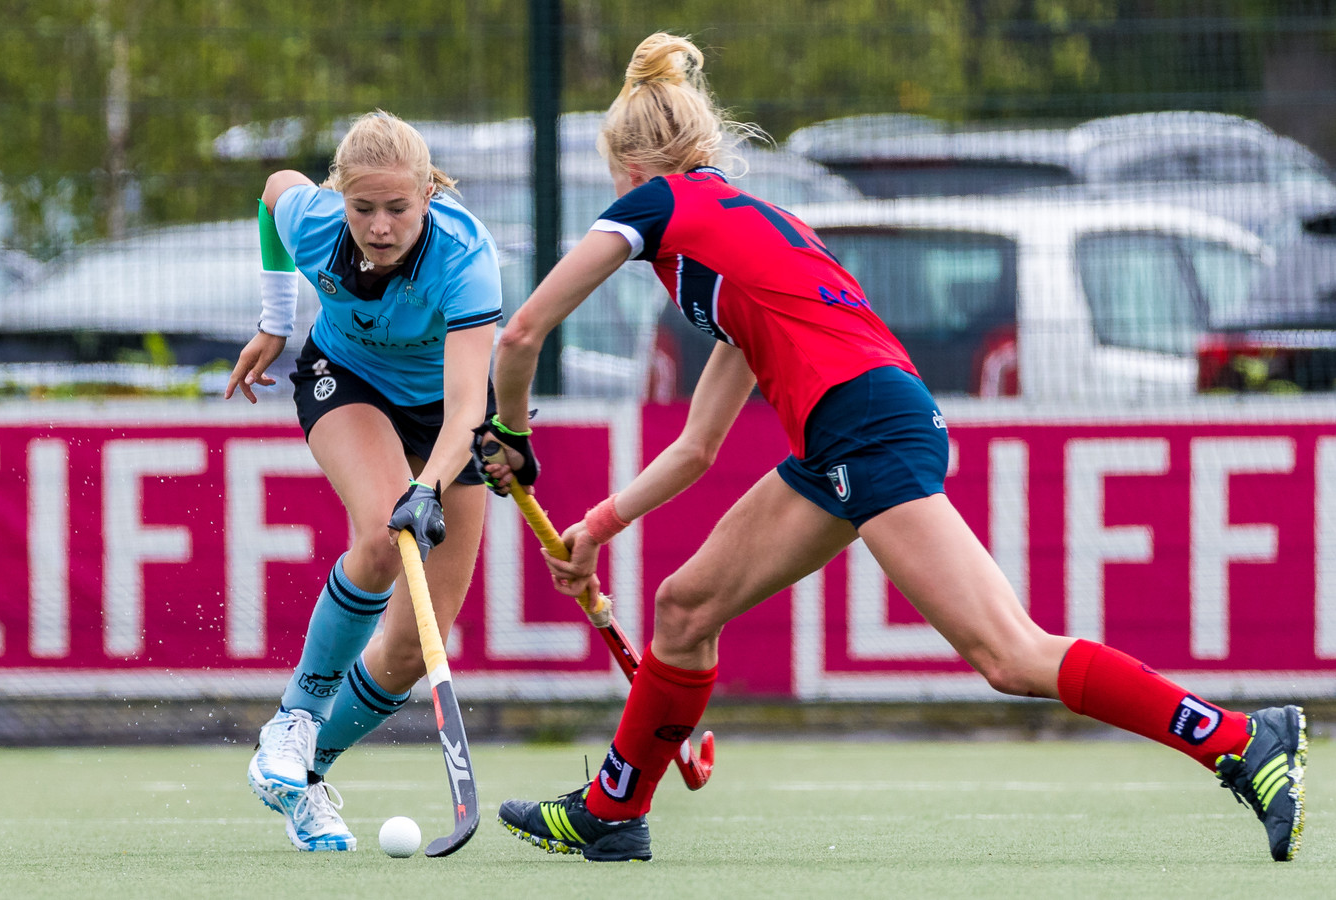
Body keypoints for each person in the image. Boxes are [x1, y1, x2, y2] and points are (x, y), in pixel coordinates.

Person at [478, 33, 1308, 864]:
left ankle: (1240, 740)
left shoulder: (656, 207)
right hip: (851, 428)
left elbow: (520, 335)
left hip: (865, 425)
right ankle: (614, 809)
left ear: (625, 169)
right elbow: (697, 446)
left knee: (1010, 655)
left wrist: (511, 434)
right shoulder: (754, 236)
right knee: (684, 610)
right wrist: (598, 524)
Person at [224, 110, 502, 851]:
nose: (379, 227)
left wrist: (433, 483)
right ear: (340, 198)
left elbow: (470, 404)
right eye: (363, 208)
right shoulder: (315, 221)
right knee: (384, 535)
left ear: (427, 195)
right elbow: (275, 189)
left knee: (414, 647)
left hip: (447, 411)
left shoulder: (465, 255)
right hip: (347, 380)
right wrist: (275, 319)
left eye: (398, 208)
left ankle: (304, 775)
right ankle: (294, 718)